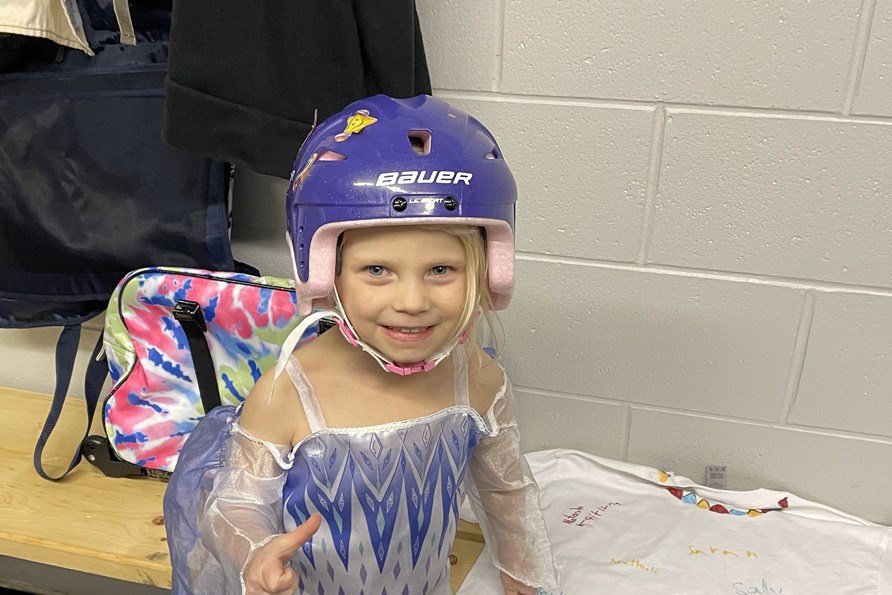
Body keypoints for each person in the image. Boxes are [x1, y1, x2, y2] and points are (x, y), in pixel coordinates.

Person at [164, 94, 560, 595]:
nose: (412, 300)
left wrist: (525, 580)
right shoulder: (289, 390)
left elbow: (507, 493)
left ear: (488, 271)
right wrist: (254, 553)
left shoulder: (478, 380)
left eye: (442, 269)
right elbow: (235, 503)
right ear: (326, 273)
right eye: (377, 270)